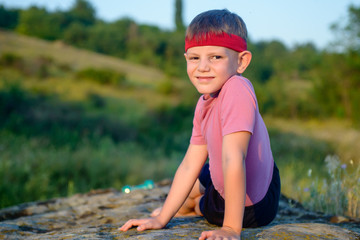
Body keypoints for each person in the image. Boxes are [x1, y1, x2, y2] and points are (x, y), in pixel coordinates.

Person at [120, 9, 280, 239]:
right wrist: (161, 218)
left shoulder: (238, 87)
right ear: (187, 59)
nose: (202, 67)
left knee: (204, 202)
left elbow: (234, 158)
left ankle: (195, 206)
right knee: (202, 171)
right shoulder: (203, 104)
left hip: (253, 207)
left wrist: (230, 229)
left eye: (215, 57)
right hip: (226, 178)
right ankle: (187, 204)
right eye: (195, 58)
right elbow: (189, 165)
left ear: (241, 61)